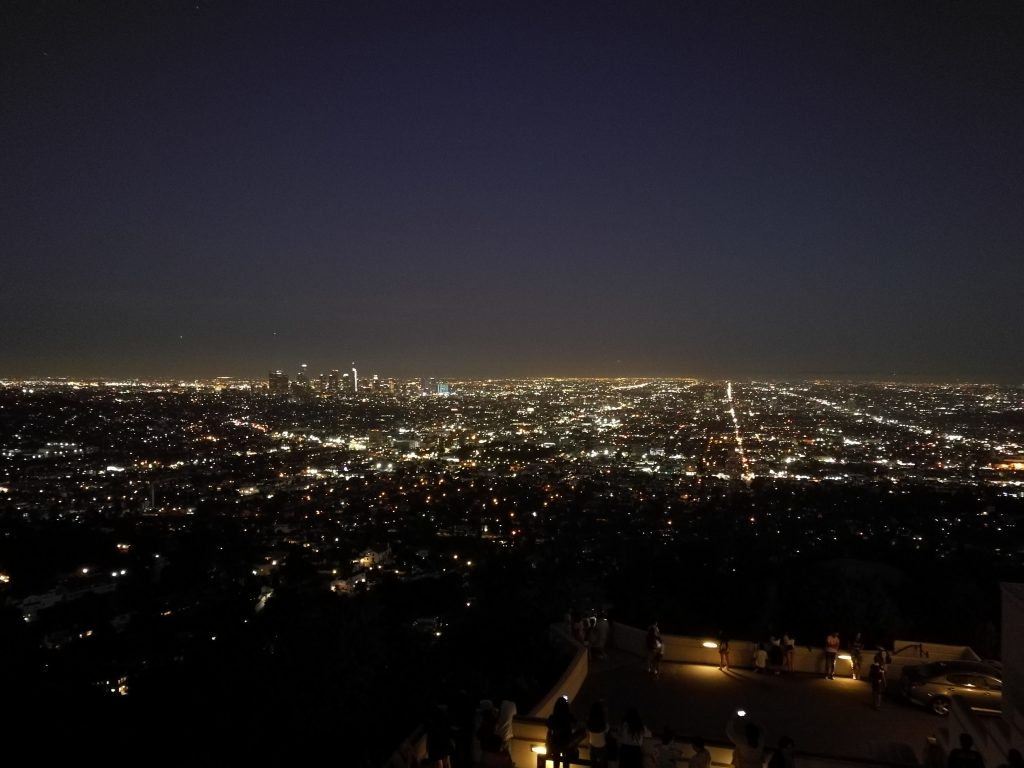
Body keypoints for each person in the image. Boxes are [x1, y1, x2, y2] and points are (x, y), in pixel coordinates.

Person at [546, 696, 578, 768]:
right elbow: (576, 723)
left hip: (555, 743)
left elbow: (549, 727)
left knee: (556, 763)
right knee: (566, 763)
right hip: (567, 743)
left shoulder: (553, 717)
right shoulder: (569, 717)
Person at [586, 699, 610, 768]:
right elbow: (607, 729)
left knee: (593, 765)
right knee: (604, 765)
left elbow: (587, 731)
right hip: (602, 746)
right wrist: (606, 714)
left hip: (592, 745)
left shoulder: (589, 720)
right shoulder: (603, 721)